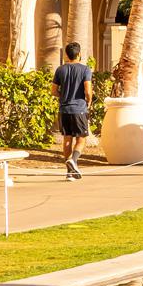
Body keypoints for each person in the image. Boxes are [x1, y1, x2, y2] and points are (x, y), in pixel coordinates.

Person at [52, 41, 92, 181]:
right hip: (79, 109)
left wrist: (63, 96)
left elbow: (53, 91)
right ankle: (73, 161)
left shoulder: (60, 70)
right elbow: (87, 90)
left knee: (67, 139)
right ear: (79, 54)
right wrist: (89, 100)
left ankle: (69, 172)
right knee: (81, 139)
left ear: (66, 55)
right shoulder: (85, 69)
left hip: (64, 109)